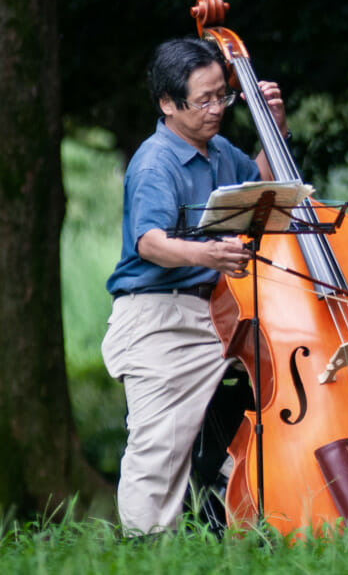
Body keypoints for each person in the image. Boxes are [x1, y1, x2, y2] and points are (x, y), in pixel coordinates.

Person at [102, 36, 289, 535]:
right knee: (157, 448)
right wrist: (207, 253)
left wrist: (275, 129)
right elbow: (149, 242)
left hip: (219, 309)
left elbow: (264, 193)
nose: (216, 109)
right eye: (203, 100)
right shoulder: (154, 161)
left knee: (280, 397)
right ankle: (146, 552)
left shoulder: (222, 152)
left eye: (221, 96)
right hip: (159, 315)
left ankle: (253, 510)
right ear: (168, 103)